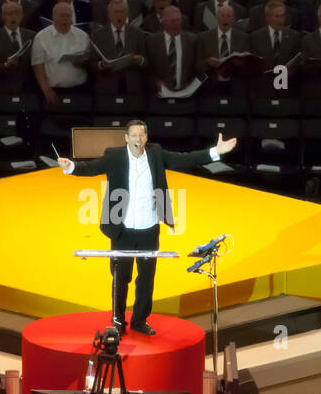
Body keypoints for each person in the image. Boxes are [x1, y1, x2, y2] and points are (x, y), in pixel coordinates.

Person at [58, 120, 237, 335]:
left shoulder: (156, 153)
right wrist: (71, 167)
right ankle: (117, 321)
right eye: (133, 135)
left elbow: (185, 159)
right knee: (120, 278)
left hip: (149, 229)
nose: (137, 139)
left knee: (146, 279)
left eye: (141, 135)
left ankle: (140, 320)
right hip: (121, 229)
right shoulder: (114, 156)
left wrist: (215, 152)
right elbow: (92, 168)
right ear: (126, 138)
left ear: (146, 138)